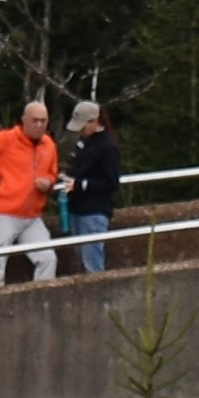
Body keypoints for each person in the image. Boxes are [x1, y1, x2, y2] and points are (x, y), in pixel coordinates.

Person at [0, 98, 68, 283]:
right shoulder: (7, 139)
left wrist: (49, 183)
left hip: (32, 216)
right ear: (24, 120)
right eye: (34, 120)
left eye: (43, 121)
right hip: (4, 213)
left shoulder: (49, 145)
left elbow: (53, 173)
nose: (39, 125)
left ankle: (41, 301)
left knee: (47, 259)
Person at [63, 98, 122, 273]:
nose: (80, 131)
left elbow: (111, 182)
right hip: (78, 209)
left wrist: (81, 184)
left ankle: (101, 298)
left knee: (93, 263)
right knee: (83, 258)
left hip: (94, 212)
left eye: (83, 126)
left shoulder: (107, 146)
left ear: (94, 121)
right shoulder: (85, 143)